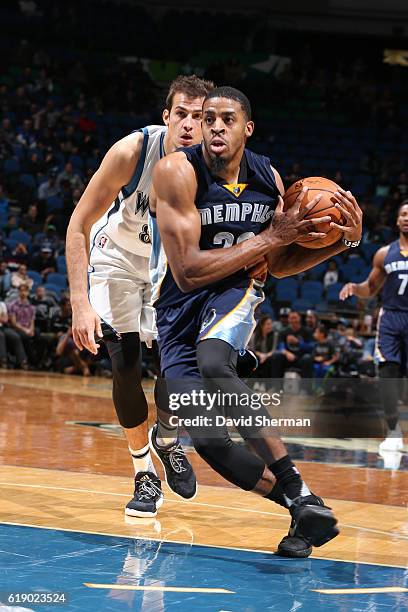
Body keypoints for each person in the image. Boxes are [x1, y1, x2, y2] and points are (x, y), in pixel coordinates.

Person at [151, 85, 363, 556]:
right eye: (209, 119)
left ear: (247, 128)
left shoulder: (268, 176)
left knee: (214, 361)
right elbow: (186, 273)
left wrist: (342, 243)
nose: (215, 127)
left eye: (227, 119)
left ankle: (296, 486)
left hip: (235, 289)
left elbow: (280, 260)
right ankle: (303, 508)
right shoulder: (175, 172)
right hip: (179, 304)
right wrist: (270, 237)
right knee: (208, 440)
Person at [66, 76, 214, 518]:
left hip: (173, 266)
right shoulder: (132, 151)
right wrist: (79, 301)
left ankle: (167, 437)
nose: (189, 125)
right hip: (119, 259)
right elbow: (78, 224)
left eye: (199, 117)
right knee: (125, 362)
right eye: (181, 114)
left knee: (179, 367)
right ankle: (142, 472)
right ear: (166, 117)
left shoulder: (217, 168)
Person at [340, 201, 408, 451]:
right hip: (390, 318)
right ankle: (392, 431)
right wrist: (355, 288)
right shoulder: (384, 253)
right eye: (402, 214)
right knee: (388, 374)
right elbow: (370, 287)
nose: (406, 218)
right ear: (397, 220)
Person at [269, 311, 314, 381]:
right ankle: (276, 386)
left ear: (299, 318)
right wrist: (287, 353)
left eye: (295, 318)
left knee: (307, 358)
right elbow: (281, 347)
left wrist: (298, 342)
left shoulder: (307, 331)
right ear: (288, 319)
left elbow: (311, 347)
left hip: (301, 357)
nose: (293, 320)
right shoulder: (283, 331)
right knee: (276, 356)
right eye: (291, 318)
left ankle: (305, 389)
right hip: (288, 357)